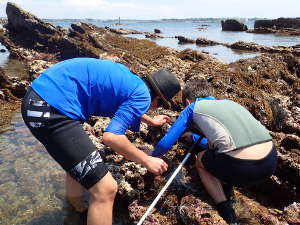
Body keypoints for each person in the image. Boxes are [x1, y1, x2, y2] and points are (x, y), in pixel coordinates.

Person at [21, 58, 181, 225]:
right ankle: (79, 210)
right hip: (50, 109)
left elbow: (126, 108)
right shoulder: (143, 96)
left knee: (79, 164)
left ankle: (76, 210)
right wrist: (146, 160)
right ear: (158, 100)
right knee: (106, 189)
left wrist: (151, 121)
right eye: (157, 105)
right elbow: (111, 137)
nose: (152, 108)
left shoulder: (131, 81)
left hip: (37, 98)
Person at [151, 78, 277, 224]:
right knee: (219, 153)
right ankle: (228, 191)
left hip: (242, 169)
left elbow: (165, 144)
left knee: (200, 159)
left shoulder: (192, 108)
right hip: (270, 162)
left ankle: (224, 208)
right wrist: (194, 137)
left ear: (187, 102)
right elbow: (226, 140)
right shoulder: (230, 103)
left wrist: (147, 156)